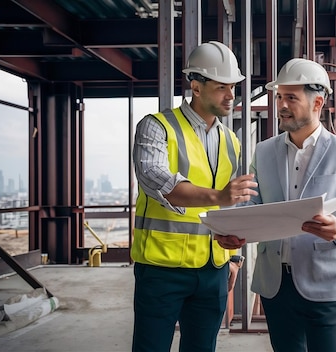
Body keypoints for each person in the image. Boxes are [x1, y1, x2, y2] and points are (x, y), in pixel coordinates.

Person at [131, 41, 257, 352]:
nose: (231, 95)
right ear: (196, 87)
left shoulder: (231, 140)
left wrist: (235, 258)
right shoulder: (156, 127)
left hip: (213, 270)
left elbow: (234, 204)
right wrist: (220, 196)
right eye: (221, 87)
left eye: (233, 87)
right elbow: (157, 180)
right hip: (162, 268)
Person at [249, 58, 336, 351]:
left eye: (291, 97)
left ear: (317, 103)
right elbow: (252, 205)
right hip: (276, 286)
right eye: (279, 96)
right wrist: (234, 229)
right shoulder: (264, 152)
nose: (281, 105)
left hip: (326, 285)